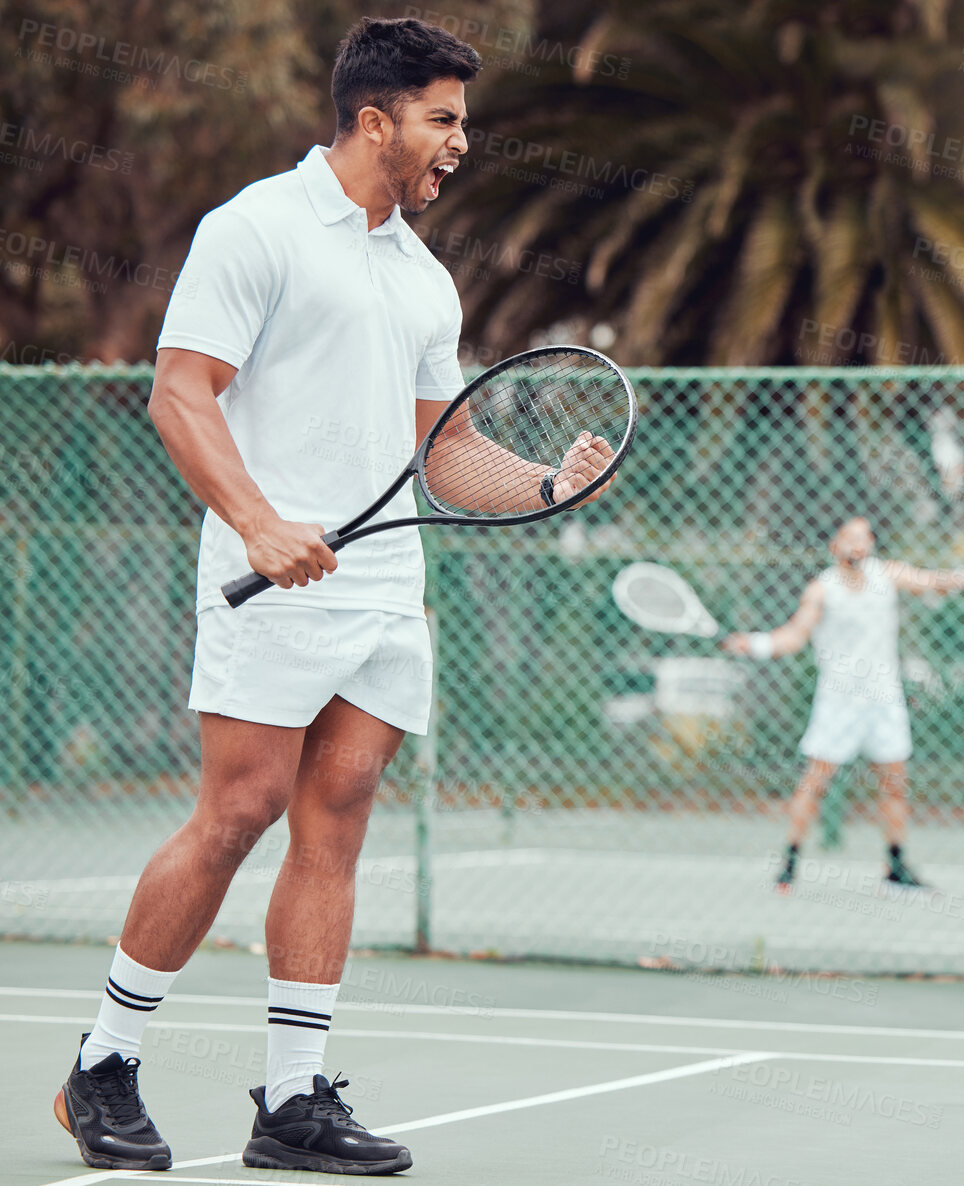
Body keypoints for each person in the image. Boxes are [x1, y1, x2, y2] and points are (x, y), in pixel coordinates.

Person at [51, 18, 613, 1176]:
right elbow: (181, 393)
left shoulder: (421, 277)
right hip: (268, 585)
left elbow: (442, 455)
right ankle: (102, 1063)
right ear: (375, 120)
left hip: (380, 600)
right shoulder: (254, 227)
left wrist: (549, 480)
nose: (461, 140)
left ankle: (294, 1099)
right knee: (238, 813)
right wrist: (259, 521)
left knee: (339, 816)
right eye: (443, 118)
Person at [722, 518, 964, 891]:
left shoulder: (888, 575)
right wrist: (756, 644)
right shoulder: (822, 591)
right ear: (835, 546)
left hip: (885, 700)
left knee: (894, 783)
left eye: (863, 538)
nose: (856, 545)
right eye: (849, 538)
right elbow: (794, 637)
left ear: (872, 544)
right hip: (839, 702)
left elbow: (936, 582)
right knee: (815, 782)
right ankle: (789, 863)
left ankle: (895, 866)